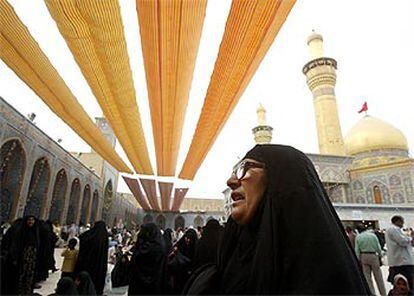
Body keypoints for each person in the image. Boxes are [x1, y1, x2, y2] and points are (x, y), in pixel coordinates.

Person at [184, 144, 370, 294]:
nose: (231, 181)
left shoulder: (327, 275)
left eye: (244, 168)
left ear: (281, 183)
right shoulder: (233, 258)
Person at [128, 223, 167, 295]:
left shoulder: (142, 247)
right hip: (155, 285)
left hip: (138, 286)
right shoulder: (160, 247)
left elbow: (134, 263)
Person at [74, 221, 108, 295]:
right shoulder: (105, 236)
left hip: (87, 263)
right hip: (99, 265)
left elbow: (82, 237)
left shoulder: (92, 234)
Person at [355, 224, 386, 295]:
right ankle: (383, 293)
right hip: (373, 255)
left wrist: (358, 259)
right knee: (378, 277)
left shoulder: (358, 237)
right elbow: (378, 247)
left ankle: (372, 293)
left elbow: (357, 250)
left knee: (367, 277)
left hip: (364, 256)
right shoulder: (373, 235)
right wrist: (380, 256)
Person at [385, 215, 414, 293]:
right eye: (402, 221)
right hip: (402, 262)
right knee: (407, 284)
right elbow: (402, 241)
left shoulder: (392, 230)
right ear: (397, 221)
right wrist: (411, 238)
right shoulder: (394, 229)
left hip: (398, 261)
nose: (403, 223)